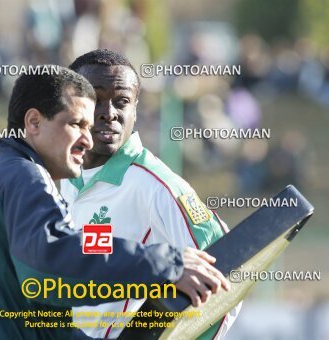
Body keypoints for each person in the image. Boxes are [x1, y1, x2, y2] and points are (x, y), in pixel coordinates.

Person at [0, 66, 230, 339]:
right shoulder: (25, 177)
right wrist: (165, 263)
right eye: (76, 124)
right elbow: (49, 263)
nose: (88, 138)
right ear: (33, 123)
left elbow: (33, 302)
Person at [60, 50, 241, 339]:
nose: (109, 112)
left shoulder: (158, 187)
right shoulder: (54, 178)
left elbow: (228, 277)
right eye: (95, 99)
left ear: (135, 108)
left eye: (122, 101)